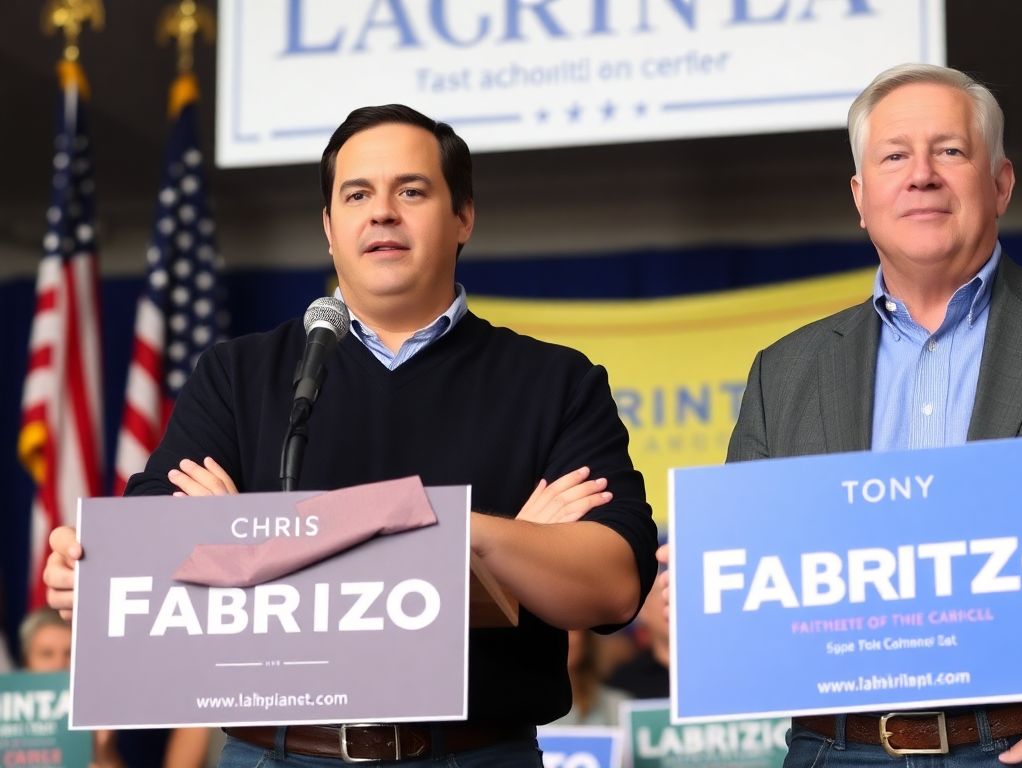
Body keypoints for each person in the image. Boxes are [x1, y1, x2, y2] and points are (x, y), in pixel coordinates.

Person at [661, 62, 1022, 768]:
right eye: (895, 156)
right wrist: (701, 595)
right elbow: (749, 591)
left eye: (950, 151)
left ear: (999, 183)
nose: (922, 175)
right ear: (861, 195)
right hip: (836, 753)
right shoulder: (784, 372)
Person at [43, 104, 659, 767]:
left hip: (474, 753)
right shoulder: (236, 375)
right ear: (330, 228)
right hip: (273, 753)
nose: (383, 212)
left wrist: (451, 530)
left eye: (412, 191)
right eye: (357, 194)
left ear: (464, 218)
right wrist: (86, 577)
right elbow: (150, 563)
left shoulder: (555, 381)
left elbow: (614, 584)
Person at [19, 607, 125, 768]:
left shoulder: (101, 717)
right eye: (47, 654)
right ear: (26, 662)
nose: (59, 665)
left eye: (69, 653)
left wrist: (105, 754)